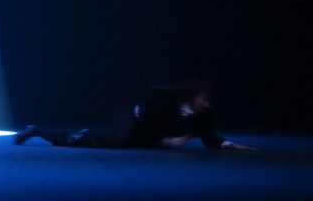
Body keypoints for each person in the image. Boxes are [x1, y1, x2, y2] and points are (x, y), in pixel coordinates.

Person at [15, 79, 256, 151]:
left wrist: (230, 144)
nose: (207, 104)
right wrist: (164, 141)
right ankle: (38, 130)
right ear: (194, 96)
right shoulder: (165, 99)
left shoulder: (202, 116)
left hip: (144, 133)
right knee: (114, 138)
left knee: (125, 141)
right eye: (204, 99)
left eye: (209, 101)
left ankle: (42, 130)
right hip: (130, 119)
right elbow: (150, 119)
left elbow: (208, 137)